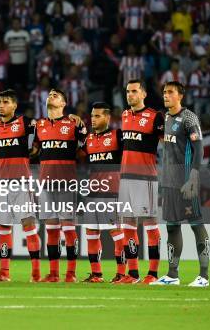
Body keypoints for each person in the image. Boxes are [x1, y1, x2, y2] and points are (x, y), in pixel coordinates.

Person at [151, 82, 210, 287]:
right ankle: (172, 275)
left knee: (196, 224)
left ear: (180, 96)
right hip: (169, 182)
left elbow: (199, 149)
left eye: (170, 92)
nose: (166, 95)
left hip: (186, 181)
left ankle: (204, 276)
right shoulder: (164, 118)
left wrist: (193, 176)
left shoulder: (189, 118)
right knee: (172, 227)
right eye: (164, 92)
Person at [32, 88, 87, 282]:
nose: (51, 96)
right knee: (51, 229)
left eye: (56, 95)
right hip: (45, 184)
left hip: (66, 184)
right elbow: (33, 151)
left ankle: (71, 274)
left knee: (69, 229)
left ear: (64, 104)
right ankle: (54, 274)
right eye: (49, 94)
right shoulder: (39, 125)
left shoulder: (73, 123)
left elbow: (87, 146)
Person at [0, 89, 42, 282]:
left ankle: (36, 274)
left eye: (5, 102)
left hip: (21, 182)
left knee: (28, 224)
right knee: (3, 226)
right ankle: (4, 273)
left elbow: (38, 141)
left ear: (14, 105)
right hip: (2, 183)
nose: (1, 105)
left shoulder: (25, 123)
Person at [117, 79, 164, 284]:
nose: (130, 95)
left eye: (134, 91)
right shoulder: (125, 115)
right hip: (126, 178)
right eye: (128, 91)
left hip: (146, 178)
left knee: (150, 224)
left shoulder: (155, 117)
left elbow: (168, 145)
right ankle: (133, 274)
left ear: (143, 94)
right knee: (128, 224)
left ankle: (152, 274)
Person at [81, 102, 127, 283]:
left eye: (98, 116)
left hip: (112, 192)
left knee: (117, 233)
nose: (93, 119)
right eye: (92, 116)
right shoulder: (88, 140)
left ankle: (121, 273)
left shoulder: (118, 136)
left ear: (107, 117)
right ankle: (96, 274)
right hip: (93, 194)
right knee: (91, 232)